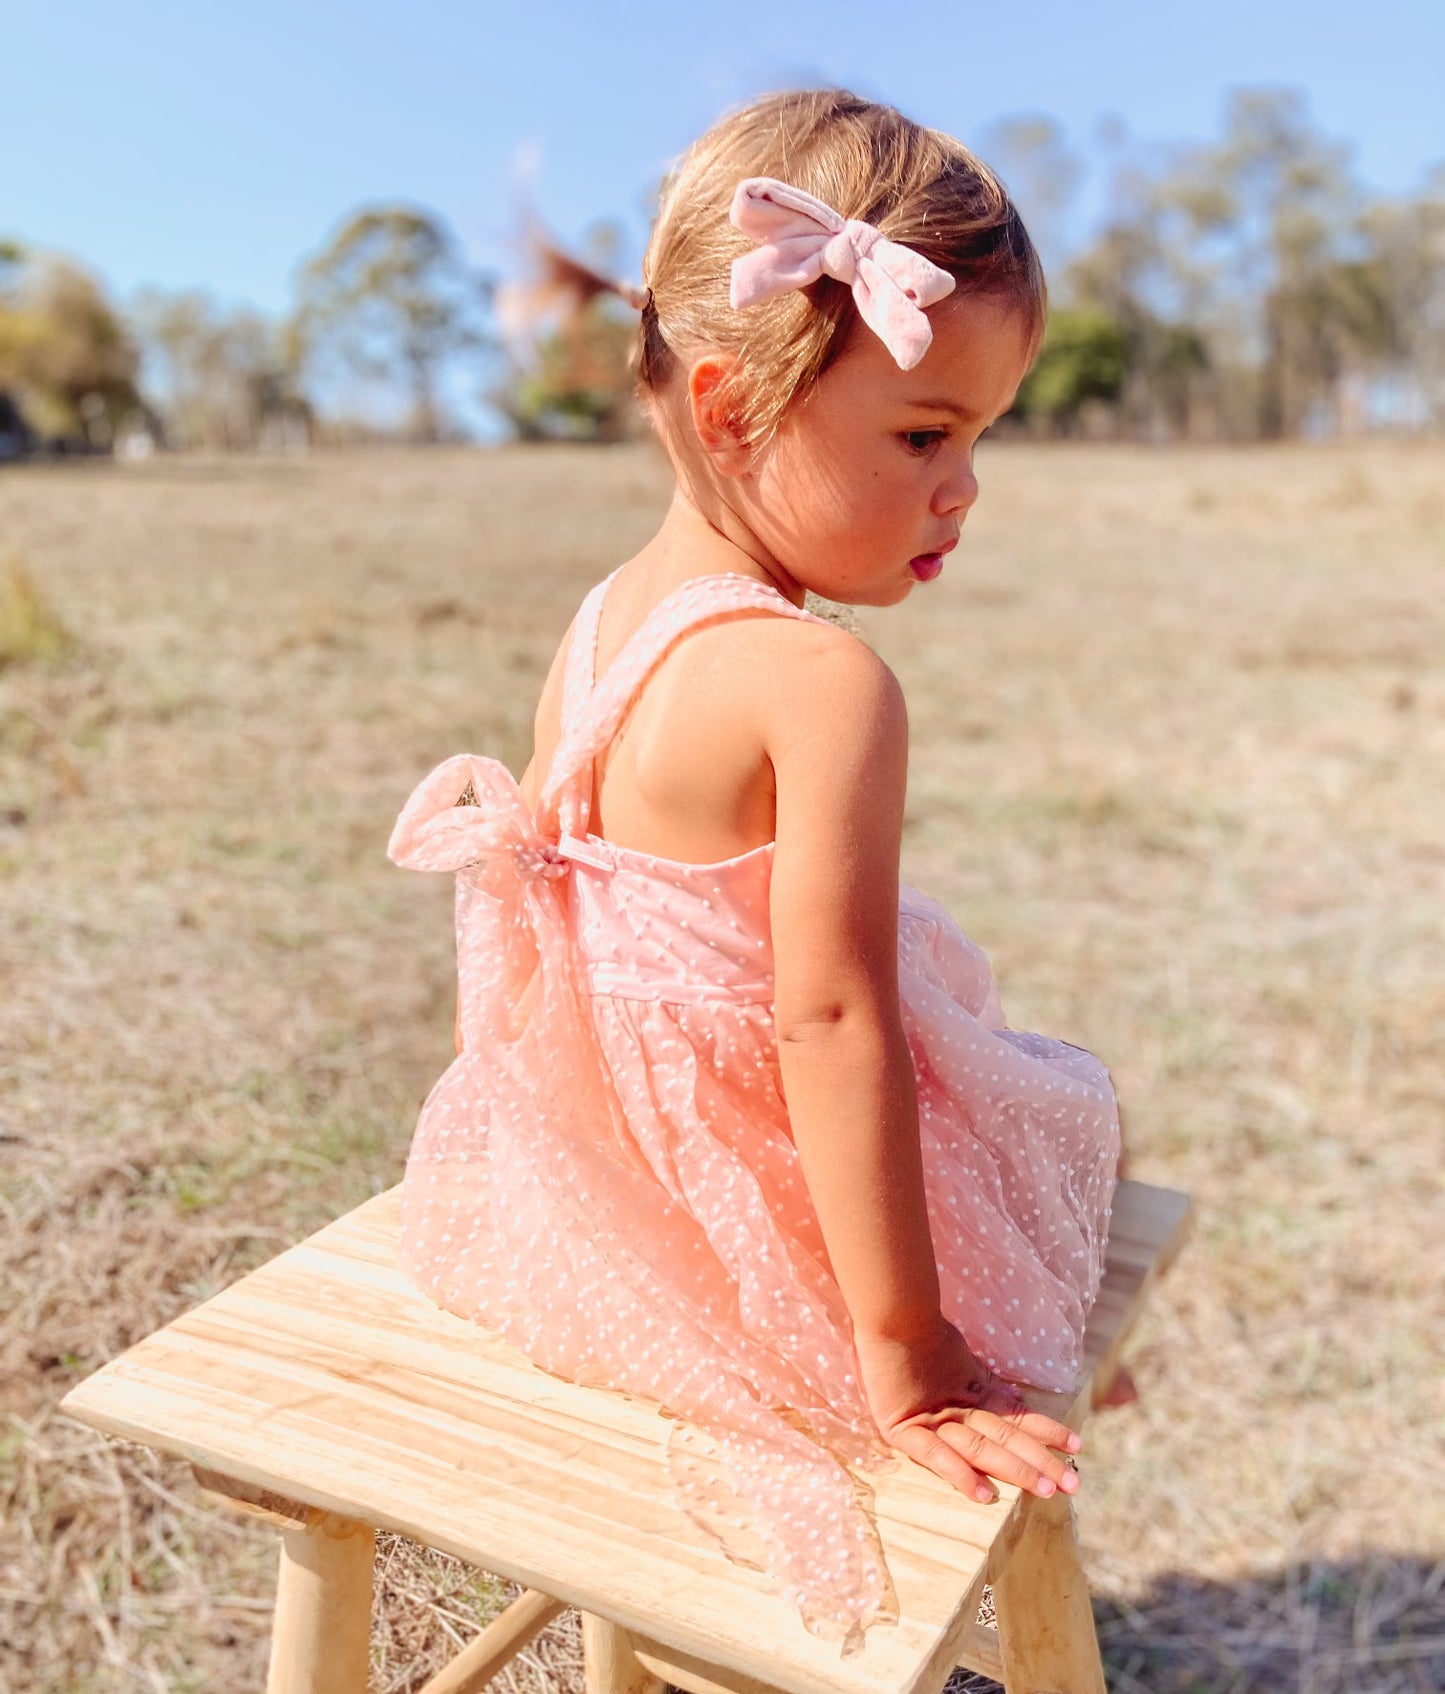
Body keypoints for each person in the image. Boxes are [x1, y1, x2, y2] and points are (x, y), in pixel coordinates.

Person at [387, 88, 1122, 1651]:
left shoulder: (600, 617)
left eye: (977, 439)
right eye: (925, 433)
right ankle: (994, 1339)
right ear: (728, 413)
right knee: (1012, 1108)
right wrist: (905, 1349)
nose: (962, 489)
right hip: (746, 1184)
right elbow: (831, 1026)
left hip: (595, 1168)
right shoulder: (821, 683)